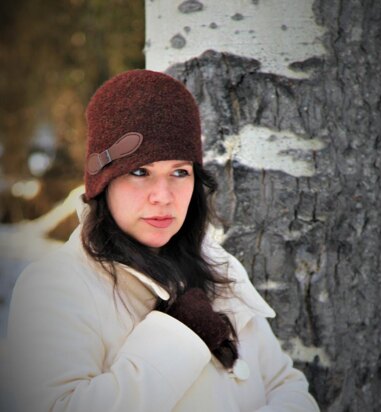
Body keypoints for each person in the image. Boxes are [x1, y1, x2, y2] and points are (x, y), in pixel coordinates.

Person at [7, 69, 320, 412]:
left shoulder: (217, 265)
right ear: (102, 181)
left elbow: (285, 386)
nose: (163, 195)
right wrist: (178, 334)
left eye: (179, 172)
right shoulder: (56, 285)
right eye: (140, 172)